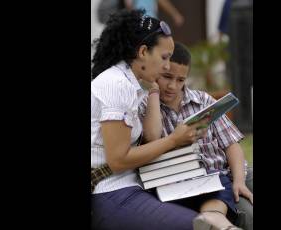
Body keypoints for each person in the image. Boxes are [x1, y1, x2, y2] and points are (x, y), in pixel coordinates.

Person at [91, 9, 212, 230]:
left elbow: (152, 136)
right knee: (198, 226)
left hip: (133, 185)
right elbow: (118, 160)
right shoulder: (116, 84)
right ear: (143, 52)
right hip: (109, 192)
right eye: (164, 57)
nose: (168, 65)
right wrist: (174, 140)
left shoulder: (132, 83)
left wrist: (153, 88)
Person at [138, 42, 253, 230]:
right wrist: (153, 91)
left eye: (180, 80)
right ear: (156, 70)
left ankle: (215, 217)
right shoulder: (145, 107)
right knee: (249, 216)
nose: (172, 86)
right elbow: (152, 138)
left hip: (226, 172)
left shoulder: (203, 101)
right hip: (185, 181)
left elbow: (231, 145)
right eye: (166, 77)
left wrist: (239, 180)